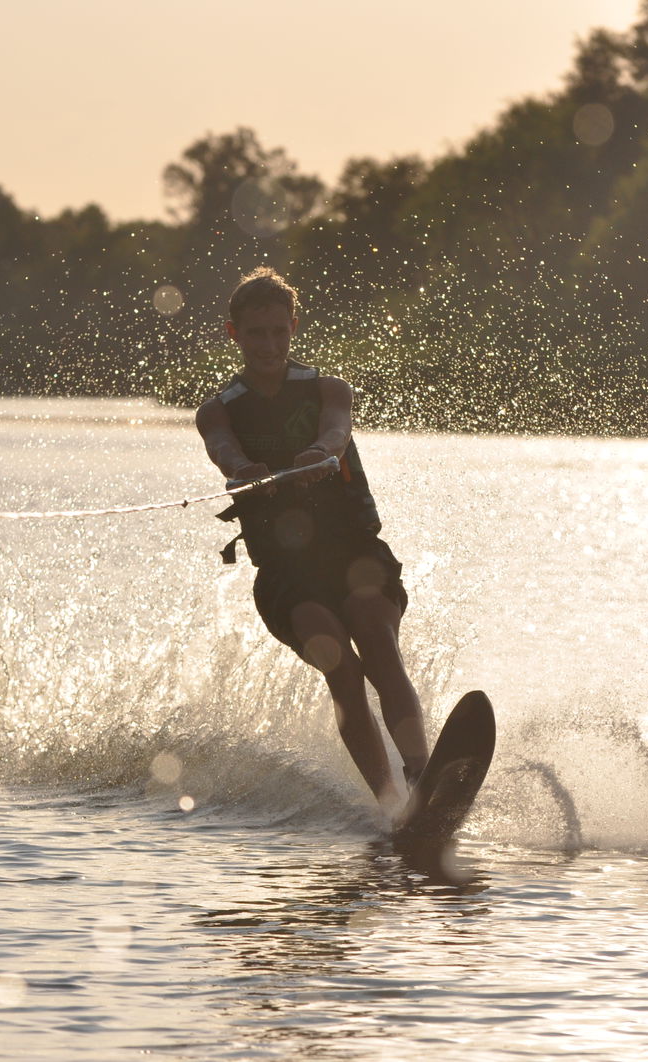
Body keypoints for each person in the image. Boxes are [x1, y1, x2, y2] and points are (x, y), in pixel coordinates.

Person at [196, 267, 427, 816]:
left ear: (293, 328)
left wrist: (321, 455)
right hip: (287, 575)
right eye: (256, 333)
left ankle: (424, 772)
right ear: (235, 335)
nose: (269, 344)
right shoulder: (218, 409)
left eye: (279, 331)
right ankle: (391, 801)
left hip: (354, 554)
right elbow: (222, 449)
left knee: (376, 638)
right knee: (339, 667)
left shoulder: (329, 390)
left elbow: (336, 430)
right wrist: (242, 470)